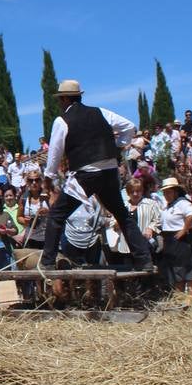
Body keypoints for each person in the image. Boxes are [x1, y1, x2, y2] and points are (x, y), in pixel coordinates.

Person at [40, 80, 152, 270]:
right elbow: (130, 127)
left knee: (57, 215)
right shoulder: (102, 112)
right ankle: (144, 260)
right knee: (122, 215)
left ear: (65, 98)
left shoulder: (62, 121)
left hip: (85, 174)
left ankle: (48, 262)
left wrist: (49, 176)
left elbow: (55, 152)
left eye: (60, 99)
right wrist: (118, 144)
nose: (60, 102)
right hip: (109, 172)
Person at [158, 178, 192, 294]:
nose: (166, 195)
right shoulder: (168, 207)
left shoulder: (182, 203)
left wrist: (184, 230)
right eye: (165, 193)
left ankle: (190, 297)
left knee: (188, 267)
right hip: (171, 240)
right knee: (176, 269)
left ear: (176, 191)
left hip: (183, 240)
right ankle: (179, 295)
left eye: (169, 192)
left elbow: (191, 215)